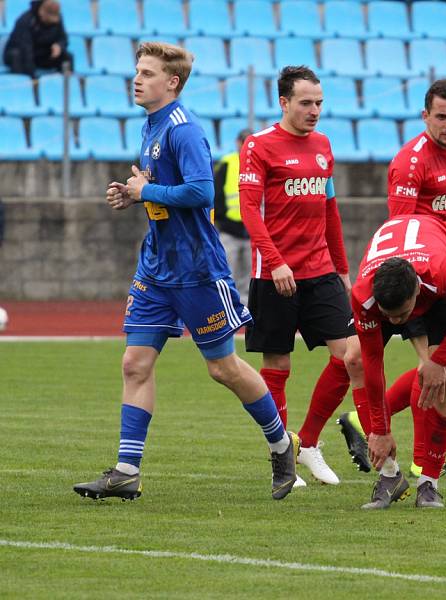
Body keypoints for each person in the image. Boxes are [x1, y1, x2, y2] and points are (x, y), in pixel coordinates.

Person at [73, 42, 298, 503]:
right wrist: (133, 195)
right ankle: (126, 471)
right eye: (136, 71)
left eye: (147, 73)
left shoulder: (184, 129)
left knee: (223, 367)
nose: (137, 79)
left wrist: (146, 190)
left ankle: (281, 446)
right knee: (134, 363)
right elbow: (160, 194)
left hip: (197, 271)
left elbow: (200, 192)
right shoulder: (150, 125)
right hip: (156, 269)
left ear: (171, 82)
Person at [338, 79, 446, 480]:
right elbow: (404, 229)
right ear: (425, 116)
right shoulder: (410, 162)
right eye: (441, 116)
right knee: (417, 367)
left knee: (440, 368)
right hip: (412, 276)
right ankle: (406, 449)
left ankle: (378, 431)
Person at [238, 65, 365, 487]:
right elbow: (250, 212)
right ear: (284, 103)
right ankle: (283, 456)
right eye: (306, 103)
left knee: (351, 356)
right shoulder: (258, 146)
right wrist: (274, 261)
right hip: (274, 273)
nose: (314, 110)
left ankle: (307, 442)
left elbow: (330, 210)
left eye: (319, 103)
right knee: (277, 364)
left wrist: (343, 268)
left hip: (320, 270)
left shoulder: (324, 145)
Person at [345, 215, 446, 510]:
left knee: (444, 375)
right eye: (389, 315)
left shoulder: (442, 275)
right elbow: (373, 362)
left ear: (416, 294)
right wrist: (381, 429)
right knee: (354, 358)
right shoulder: (364, 296)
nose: (395, 323)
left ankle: (429, 485)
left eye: (402, 314)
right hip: (397, 259)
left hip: (442, 266)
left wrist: (441, 357)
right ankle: (389, 477)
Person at [213, 128, 253, 301]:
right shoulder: (227, 162)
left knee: (249, 277)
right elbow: (216, 193)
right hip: (229, 230)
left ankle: (245, 312)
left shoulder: (261, 162)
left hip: (253, 232)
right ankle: (228, 308)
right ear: (238, 143)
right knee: (228, 274)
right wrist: (221, 221)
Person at [2, 0, 72, 77]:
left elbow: (63, 38)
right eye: (48, 20)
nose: (50, 23)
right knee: (17, 56)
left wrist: (59, 46)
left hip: (42, 54)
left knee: (67, 56)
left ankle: (66, 81)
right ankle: (26, 84)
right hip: (22, 53)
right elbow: (26, 49)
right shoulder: (25, 20)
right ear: (41, 13)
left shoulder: (58, 18)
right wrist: (32, 76)